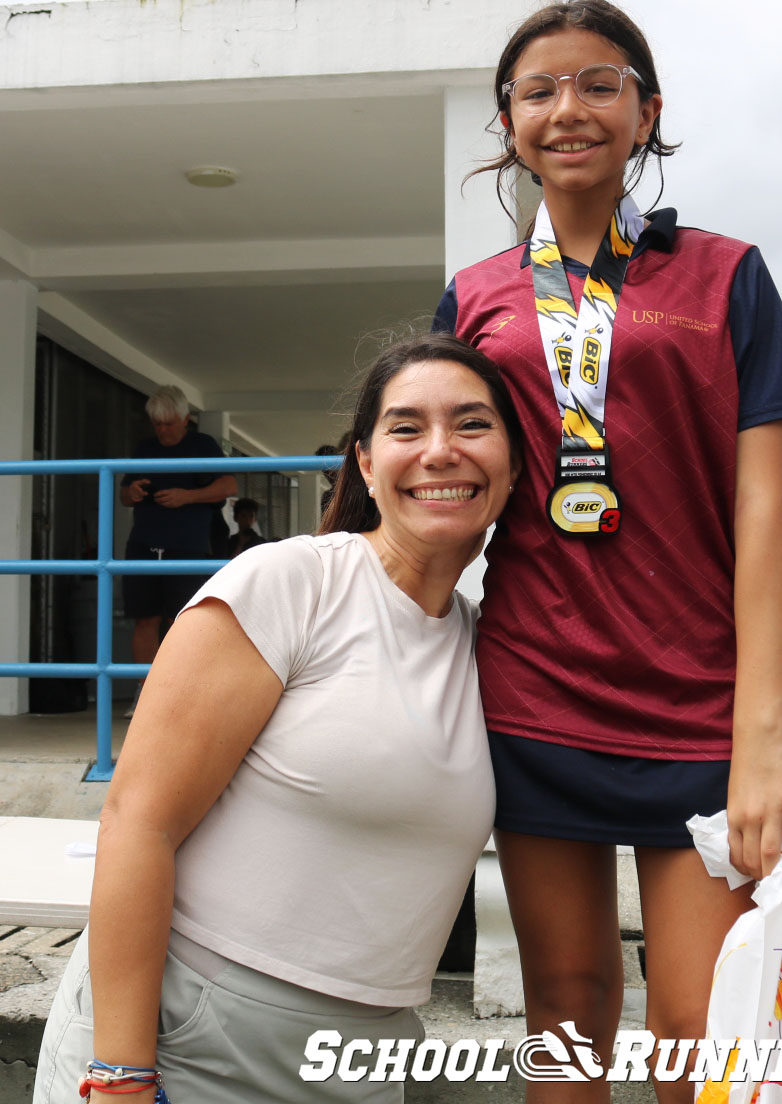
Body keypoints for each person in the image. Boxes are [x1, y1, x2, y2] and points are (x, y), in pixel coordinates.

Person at [434, 0, 782, 1102]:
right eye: (540, 90)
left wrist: (762, 738)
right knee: (564, 1002)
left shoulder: (728, 275)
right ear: (509, 121)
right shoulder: (476, 296)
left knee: (703, 1028)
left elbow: (763, 513)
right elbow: (447, 476)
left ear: (647, 112)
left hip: (699, 707)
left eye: (600, 84)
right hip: (536, 690)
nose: (570, 108)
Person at [34, 334, 522, 1104]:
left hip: (368, 1059)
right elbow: (138, 822)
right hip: (191, 1040)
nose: (439, 451)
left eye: (472, 425)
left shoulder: (485, 646)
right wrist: (123, 1075)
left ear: (515, 463)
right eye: (405, 428)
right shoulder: (293, 582)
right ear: (365, 462)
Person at [120, 386, 237, 669]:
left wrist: (187, 496)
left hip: (188, 548)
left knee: (182, 621)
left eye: (169, 424)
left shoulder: (203, 445)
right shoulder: (144, 449)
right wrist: (132, 492)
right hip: (143, 546)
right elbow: (123, 496)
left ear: (185, 419)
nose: (162, 430)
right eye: (157, 424)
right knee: (145, 619)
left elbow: (229, 486)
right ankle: (144, 693)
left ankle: (178, 691)